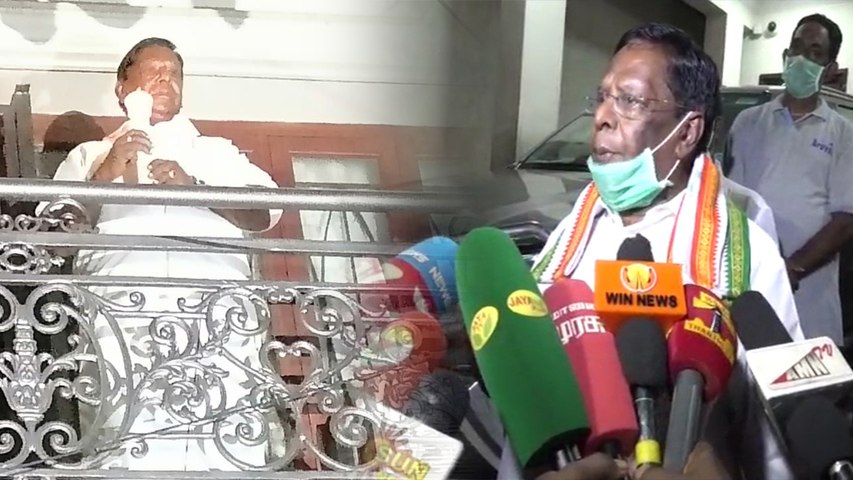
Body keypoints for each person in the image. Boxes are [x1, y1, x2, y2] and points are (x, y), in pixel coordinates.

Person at [530, 23, 803, 480]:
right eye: (602, 97)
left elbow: (776, 434)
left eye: (630, 101)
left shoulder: (744, 255)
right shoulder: (571, 233)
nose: (603, 116)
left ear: (686, 132)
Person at [40, 38, 283, 471]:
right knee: (127, 443)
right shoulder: (90, 155)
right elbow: (54, 238)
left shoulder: (217, 152)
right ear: (122, 88)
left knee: (228, 441)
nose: (165, 79)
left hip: (216, 319)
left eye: (173, 73)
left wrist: (196, 189)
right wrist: (106, 174)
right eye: (153, 71)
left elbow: (263, 213)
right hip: (124, 321)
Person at [728, 14, 853, 344]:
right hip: (749, 285)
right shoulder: (748, 122)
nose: (801, 58)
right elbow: (732, 202)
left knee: (806, 373)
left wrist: (791, 268)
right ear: (785, 54)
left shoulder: (843, 134)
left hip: (809, 297)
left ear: (829, 68)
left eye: (814, 52)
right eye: (796, 48)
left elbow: (845, 221)